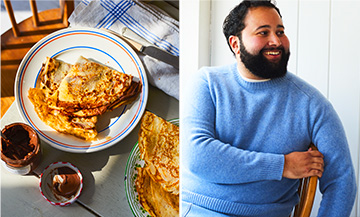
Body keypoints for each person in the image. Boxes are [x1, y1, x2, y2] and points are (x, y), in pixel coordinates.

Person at [180, 1, 357, 216]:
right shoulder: (207, 83)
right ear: (236, 44)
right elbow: (199, 157)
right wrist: (282, 166)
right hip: (198, 209)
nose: (276, 41)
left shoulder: (313, 105)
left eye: (280, 32)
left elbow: (341, 182)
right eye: (263, 32)